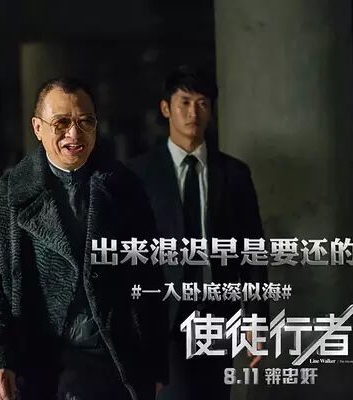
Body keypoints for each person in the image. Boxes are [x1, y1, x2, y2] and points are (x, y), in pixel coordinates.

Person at [0, 78, 168, 400]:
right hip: (38, 364)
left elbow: (150, 278)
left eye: (85, 122)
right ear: (38, 128)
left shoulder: (124, 187)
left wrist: (155, 365)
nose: (74, 134)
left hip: (114, 363)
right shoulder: (6, 195)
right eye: (61, 123)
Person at [127, 65, 269, 399]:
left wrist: (256, 321)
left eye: (203, 103)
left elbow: (253, 252)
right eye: (185, 103)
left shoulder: (233, 173)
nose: (194, 113)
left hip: (217, 313)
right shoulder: (139, 174)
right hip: (162, 317)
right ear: (166, 108)